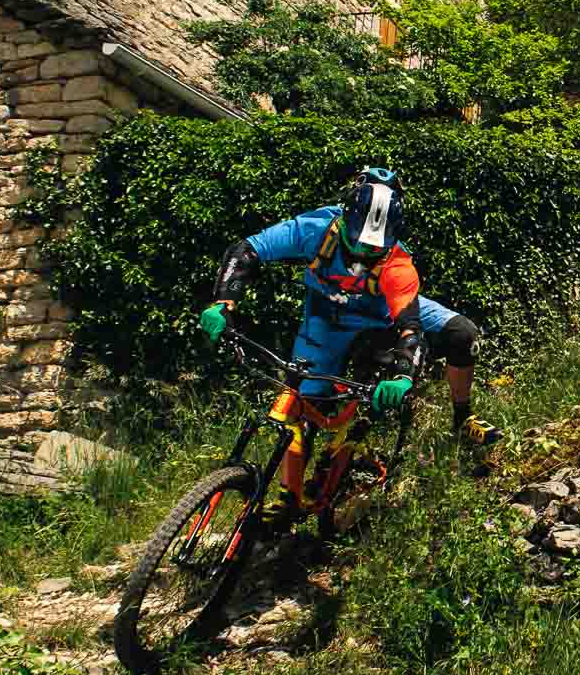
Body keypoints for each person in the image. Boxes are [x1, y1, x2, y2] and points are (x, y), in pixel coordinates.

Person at [196, 167, 500, 513]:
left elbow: (410, 327)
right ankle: (289, 497)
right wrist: (223, 303)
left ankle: (461, 417)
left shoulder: (398, 265)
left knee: (463, 334)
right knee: (302, 406)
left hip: (384, 315)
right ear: (344, 220)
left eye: (373, 249)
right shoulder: (315, 228)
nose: (361, 255)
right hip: (326, 320)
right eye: (355, 243)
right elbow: (247, 250)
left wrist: (403, 375)